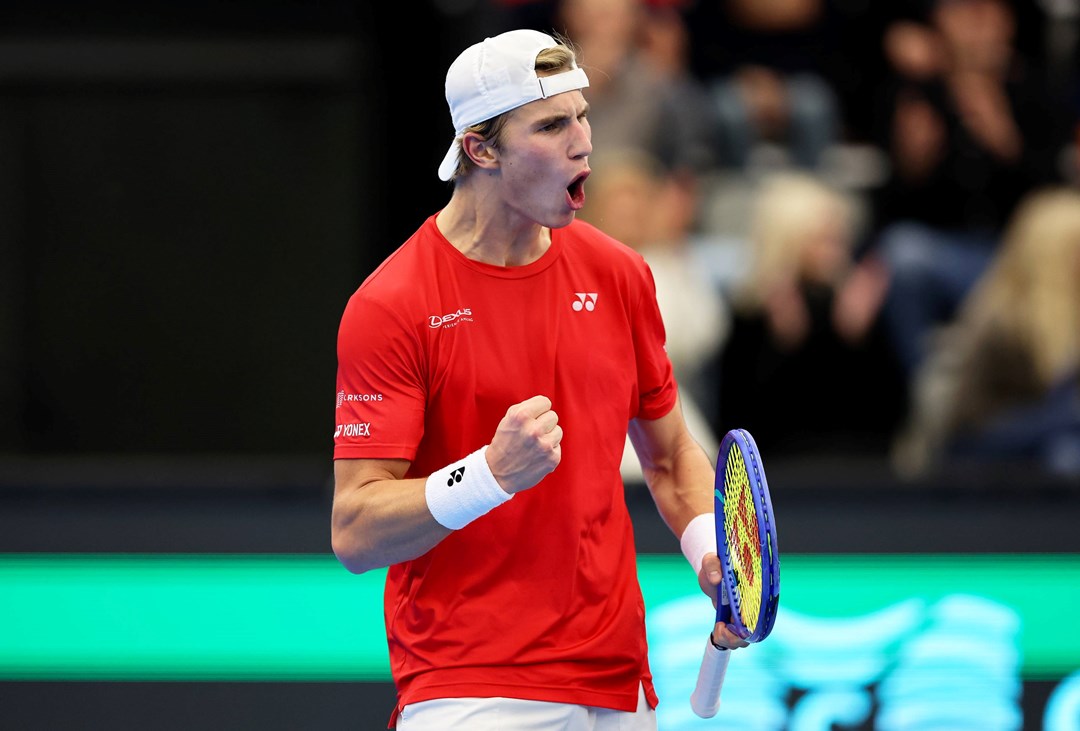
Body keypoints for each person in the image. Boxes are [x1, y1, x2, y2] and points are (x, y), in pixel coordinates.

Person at [330, 29, 747, 730]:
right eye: (552, 125)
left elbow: (671, 456)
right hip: (470, 685)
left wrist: (711, 552)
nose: (584, 142)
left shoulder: (620, 274)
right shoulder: (391, 303)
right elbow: (355, 529)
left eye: (582, 116)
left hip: (619, 681)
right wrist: (489, 474)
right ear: (480, 149)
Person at [891, 186, 1080, 479]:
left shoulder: (1068, 317)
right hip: (981, 460)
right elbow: (968, 433)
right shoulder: (1008, 325)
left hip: (1031, 455)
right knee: (1065, 452)